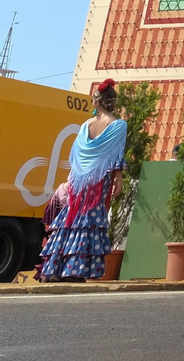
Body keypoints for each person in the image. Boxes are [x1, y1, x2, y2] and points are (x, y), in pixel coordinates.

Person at [37, 79, 126, 281]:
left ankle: (56, 268)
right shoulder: (118, 126)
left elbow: (76, 153)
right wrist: (119, 178)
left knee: (72, 216)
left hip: (79, 179)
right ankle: (74, 269)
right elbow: (115, 156)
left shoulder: (86, 125)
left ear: (97, 102)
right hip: (99, 178)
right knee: (89, 219)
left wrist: (75, 176)